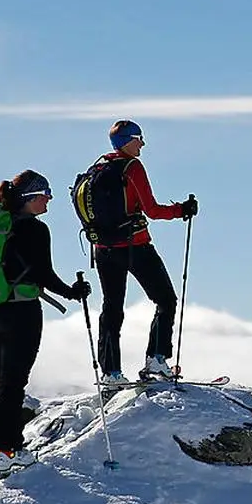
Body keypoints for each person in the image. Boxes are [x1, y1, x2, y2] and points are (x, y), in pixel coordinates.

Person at [0, 170, 91, 470]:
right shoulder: (35, 229)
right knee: (14, 383)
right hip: (22, 311)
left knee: (5, 379)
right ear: (29, 197)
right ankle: (8, 450)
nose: (49, 199)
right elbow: (43, 274)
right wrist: (73, 292)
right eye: (44, 193)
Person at [88, 120, 197, 386]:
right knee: (166, 300)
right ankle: (156, 360)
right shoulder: (132, 167)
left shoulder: (98, 167)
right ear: (127, 140)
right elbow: (152, 210)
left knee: (112, 308)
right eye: (139, 138)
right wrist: (181, 210)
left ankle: (111, 373)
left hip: (103, 249)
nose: (143, 143)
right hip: (135, 245)